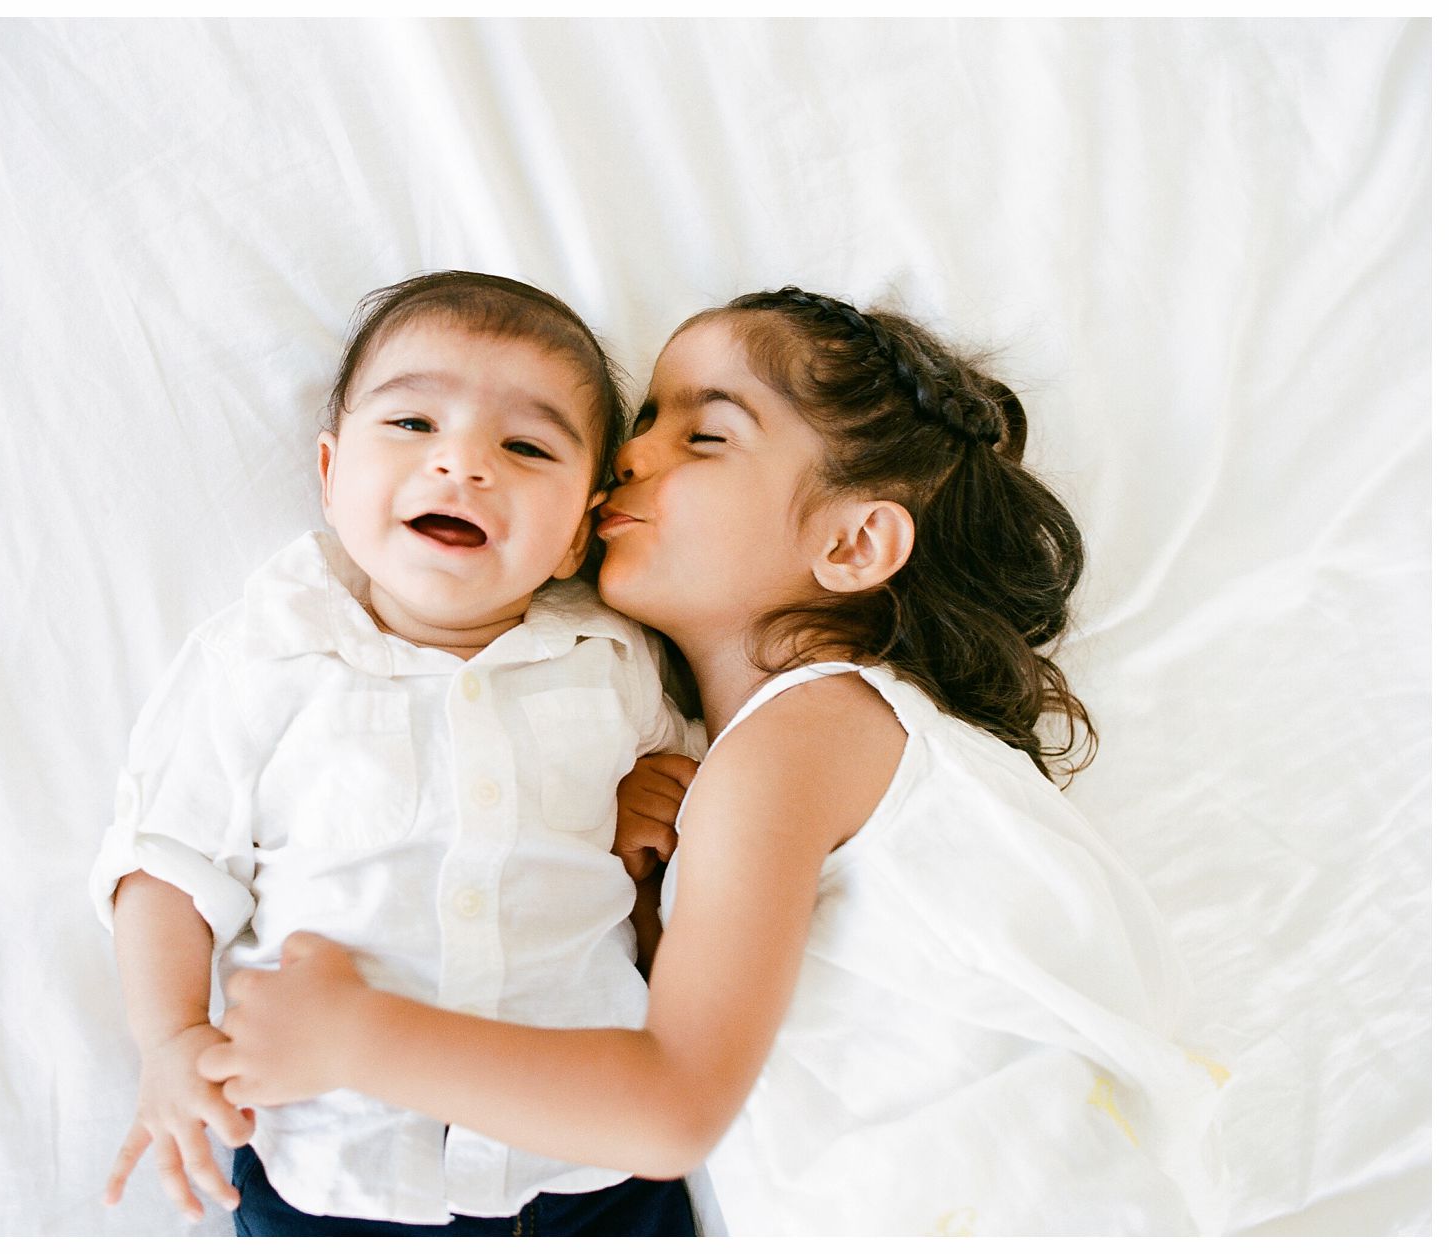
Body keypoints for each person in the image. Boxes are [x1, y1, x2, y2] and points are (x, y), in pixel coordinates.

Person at [196, 287, 1230, 1236]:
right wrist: (638, 894)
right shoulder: (773, 753)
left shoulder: (804, 735)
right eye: (641, 423)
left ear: (853, 546)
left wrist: (353, 1041)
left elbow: (668, 1108)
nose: (632, 458)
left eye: (704, 434)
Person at [91, 271, 704, 1236]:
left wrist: (654, 811)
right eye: (413, 426)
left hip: (589, 1158)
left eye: (527, 445)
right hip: (336, 1169)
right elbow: (167, 861)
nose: (464, 464)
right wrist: (170, 1038)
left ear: (578, 532)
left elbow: (699, 810)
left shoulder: (612, 661)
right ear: (331, 473)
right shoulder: (265, 655)